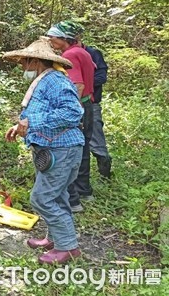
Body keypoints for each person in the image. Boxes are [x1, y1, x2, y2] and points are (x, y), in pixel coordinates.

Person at [3, 37, 84, 264]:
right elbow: (40, 115)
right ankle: (55, 238)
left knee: (42, 198)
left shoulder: (55, 81)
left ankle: (68, 247)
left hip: (62, 149)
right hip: (52, 148)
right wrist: (20, 126)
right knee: (56, 195)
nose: (22, 67)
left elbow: (73, 113)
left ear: (35, 61)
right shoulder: (44, 80)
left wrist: (31, 122)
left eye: (23, 62)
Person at [46, 21, 95, 213]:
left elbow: (78, 85)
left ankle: (72, 200)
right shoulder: (83, 52)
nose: (50, 39)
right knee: (83, 149)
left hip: (79, 106)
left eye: (53, 36)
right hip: (88, 104)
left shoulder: (70, 55)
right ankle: (85, 190)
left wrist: (69, 111)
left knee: (70, 151)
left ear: (64, 39)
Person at [74, 28, 113, 180]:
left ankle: (105, 176)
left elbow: (101, 77)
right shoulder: (65, 54)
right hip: (73, 105)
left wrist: (82, 84)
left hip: (91, 103)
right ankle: (79, 179)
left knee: (96, 141)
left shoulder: (93, 53)